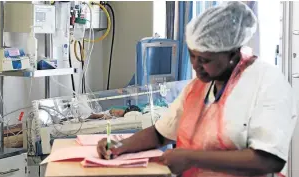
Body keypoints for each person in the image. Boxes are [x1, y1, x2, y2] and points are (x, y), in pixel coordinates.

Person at [96, 2, 298, 177]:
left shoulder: (267, 84)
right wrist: (120, 146)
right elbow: (160, 133)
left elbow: (269, 159)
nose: (195, 65)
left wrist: (192, 158)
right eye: (192, 56)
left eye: (205, 60)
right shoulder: (199, 87)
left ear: (232, 53)